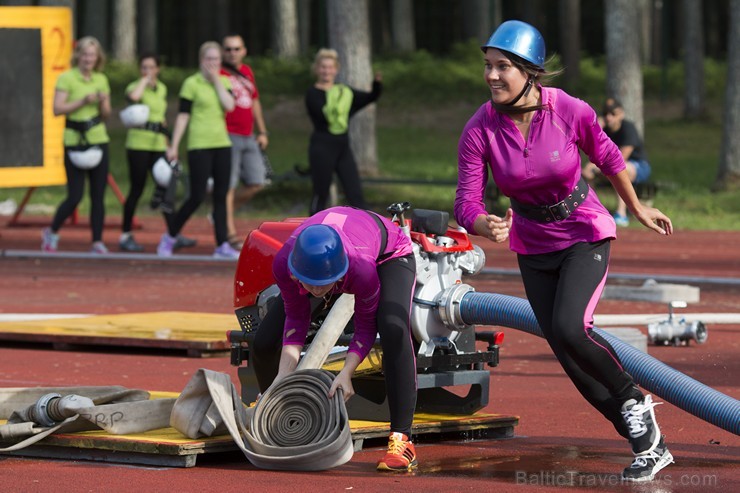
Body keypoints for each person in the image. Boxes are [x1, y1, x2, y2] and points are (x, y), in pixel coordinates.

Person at [454, 20, 674, 482]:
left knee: (572, 328)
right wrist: (481, 223)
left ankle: (633, 399)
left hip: (582, 232)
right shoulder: (480, 129)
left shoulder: (569, 110)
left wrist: (634, 207)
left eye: (503, 67)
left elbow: (611, 158)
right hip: (533, 243)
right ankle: (646, 442)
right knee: (566, 351)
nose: (492, 76)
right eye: (488, 66)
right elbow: (466, 201)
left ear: (530, 72)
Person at [250, 206, 419, 472]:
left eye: (323, 284)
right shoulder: (284, 263)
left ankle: (402, 439)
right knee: (264, 341)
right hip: (333, 252)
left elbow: (365, 326)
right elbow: (296, 317)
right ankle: (277, 416)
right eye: (309, 284)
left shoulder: (361, 269)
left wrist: (346, 372)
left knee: (392, 328)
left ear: (339, 274)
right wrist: (283, 375)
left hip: (388, 253)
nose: (316, 291)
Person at [159, 41, 237, 258]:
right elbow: (183, 116)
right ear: (202, 60)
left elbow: (230, 106)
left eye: (216, 60)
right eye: (209, 59)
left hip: (222, 144)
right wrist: (174, 145)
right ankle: (170, 236)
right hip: (199, 145)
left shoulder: (224, 81)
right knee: (197, 195)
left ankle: (222, 245)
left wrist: (216, 82)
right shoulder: (191, 84)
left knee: (221, 196)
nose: (213, 64)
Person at [119, 53, 196, 253]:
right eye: (144, 67)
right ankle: (125, 234)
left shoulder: (161, 88)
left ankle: (173, 232)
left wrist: (170, 146)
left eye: (151, 67)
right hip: (138, 144)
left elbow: (162, 120)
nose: (148, 71)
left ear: (158, 69)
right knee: (137, 188)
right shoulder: (135, 86)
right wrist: (143, 81)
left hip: (158, 145)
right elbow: (133, 98)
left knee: (165, 186)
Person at [43, 36, 111, 254]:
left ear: (97, 57)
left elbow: (107, 114)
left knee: (98, 195)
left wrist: (102, 102)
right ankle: (52, 231)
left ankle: (97, 241)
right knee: (75, 195)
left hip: (98, 139)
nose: (88, 58)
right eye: (85, 54)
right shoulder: (67, 78)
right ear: (78, 56)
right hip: (74, 141)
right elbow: (57, 108)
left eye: (92, 54)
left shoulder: (101, 79)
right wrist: (82, 101)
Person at [305, 48, 382, 215]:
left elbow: (370, 97)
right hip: (322, 147)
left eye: (330, 67)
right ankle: (310, 230)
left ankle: (367, 232)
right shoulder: (313, 93)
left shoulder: (344, 93)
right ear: (317, 69)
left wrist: (376, 85)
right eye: (323, 67)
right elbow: (327, 116)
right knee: (320, 194)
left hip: (342, 148)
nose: (326, 71)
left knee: (356, 194)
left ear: (336, 69)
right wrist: (341, 98)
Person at [220, 34, 270, 250]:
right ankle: (229, 233)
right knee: (229, 186)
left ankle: (221, 213)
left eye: (236, 49)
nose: (232, 53)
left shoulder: (247, 72)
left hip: (248, 135)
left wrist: (263, 131)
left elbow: (255, 101)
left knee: (257, 181)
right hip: (227, 135)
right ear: (223, 51)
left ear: (244, 51)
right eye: (228, 49)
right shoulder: (218, 73)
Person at [582, 98, 652, 227]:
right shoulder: (604, 130)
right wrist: (596, 129)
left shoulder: (628, 128)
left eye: (613, 114)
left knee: (620, 170)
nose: (609, 117)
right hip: (609, 164)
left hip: (638, 166)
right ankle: (593, 211)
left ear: (621, 114)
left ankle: (621, 214)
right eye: (606, 114)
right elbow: (593, 155)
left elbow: (621, 158)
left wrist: (598, 167)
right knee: (587, 172)